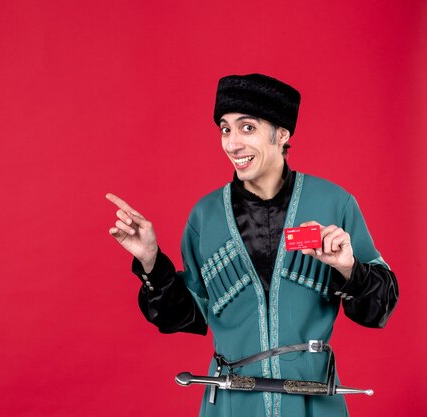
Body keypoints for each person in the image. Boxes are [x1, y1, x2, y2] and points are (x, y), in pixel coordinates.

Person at [106, 74, 398, 417]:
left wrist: (349, 269)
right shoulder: (205, 216)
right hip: (232, 402)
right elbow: (184, 316)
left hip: (313, 400)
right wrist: (151, 261)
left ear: (283, 134)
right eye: (225, 130)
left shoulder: (334, 203)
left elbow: (379, 309)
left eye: (247, 128)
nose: (232, 144)